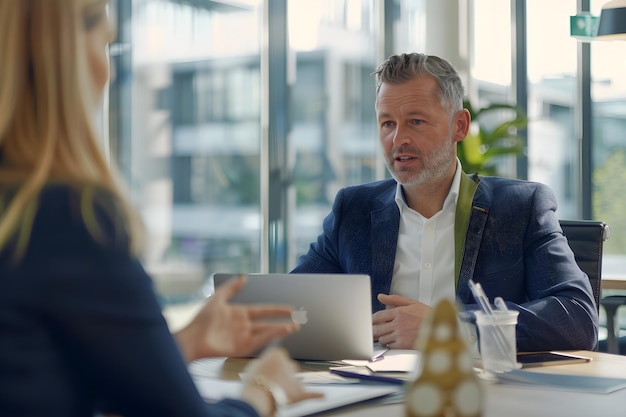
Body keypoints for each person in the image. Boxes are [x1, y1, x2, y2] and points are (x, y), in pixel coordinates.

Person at [0, 1, 321, 417]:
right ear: (68, 56)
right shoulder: (66, 216)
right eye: (107, 45)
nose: (107, 71)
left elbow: (46, 372)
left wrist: (183, 344)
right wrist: (265, 388)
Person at [292, 52, 599, 353]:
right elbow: (291, 304)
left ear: (459, 126)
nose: (399, 139)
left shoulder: (521, 208)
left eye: (416, 121)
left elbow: (577, 318)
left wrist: (447, 327)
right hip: (372, 389)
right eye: (388, 123)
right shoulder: (353, 210)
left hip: (482, 392)